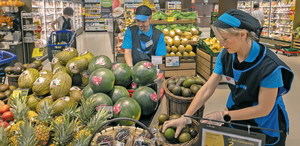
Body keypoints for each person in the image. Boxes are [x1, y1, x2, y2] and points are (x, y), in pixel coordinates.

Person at [163, 9, 293, 146]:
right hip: (235, 115)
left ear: (243, 34)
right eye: (219, 40)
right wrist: (186, 117)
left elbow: (263, 108)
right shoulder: (226, 55)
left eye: (225, 39)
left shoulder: (269, 66)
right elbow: (208, 87)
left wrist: (222, 116)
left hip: (264, 126)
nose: (221, 44)